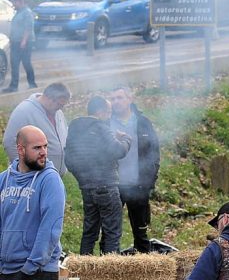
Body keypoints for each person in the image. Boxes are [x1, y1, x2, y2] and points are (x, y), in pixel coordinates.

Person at [65, 96, 132, 255]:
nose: (110, 115)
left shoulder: (74, 128)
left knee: (89, 232)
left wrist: (82, 179)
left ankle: (81, 269)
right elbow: (118, 151)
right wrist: (126, 139)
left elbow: (69, 159)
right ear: (101, 112)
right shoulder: (101, 127)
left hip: (87, 188)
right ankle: (109, 273)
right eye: (109, 111)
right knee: (112, 233)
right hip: (107, 187)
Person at [0, 125, 65, 279]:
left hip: (39, 271)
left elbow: (51, 227)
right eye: (37, 148)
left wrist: (30, 268)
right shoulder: (3, 179)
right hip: (6, 269)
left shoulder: (50, 179)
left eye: (45, 146)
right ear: (21, 150)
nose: (44, 152)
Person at [109, 85, 160, 253]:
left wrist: (150, 179)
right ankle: (109, 265)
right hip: (114, 185)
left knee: (141, 232)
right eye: (113, 98)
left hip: (138, 185)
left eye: (120, 97)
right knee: (110, 232)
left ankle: (146, 268)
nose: (116, 101)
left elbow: (154, 151)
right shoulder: (106, 123)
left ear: (129, 99)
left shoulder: (143, 122)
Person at [3, 83, 70, 175]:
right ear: (49, 99)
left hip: (53, 175)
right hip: (33, 175)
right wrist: (24, 170)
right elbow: (10, 141)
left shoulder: (57, 112)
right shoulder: (24, 111)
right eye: (60, 104)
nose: (61, 108)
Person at [2, 0, 37, 93]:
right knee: (14, 64)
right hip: (15, 42)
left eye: (15, 2)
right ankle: (13, 86)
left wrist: (24, 41)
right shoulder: (18, 13)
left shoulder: (27, 13)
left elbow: (28, 28)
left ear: (20, 2)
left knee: (26, 63)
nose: (13, 4)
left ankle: (32, 83)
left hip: (24, 42)